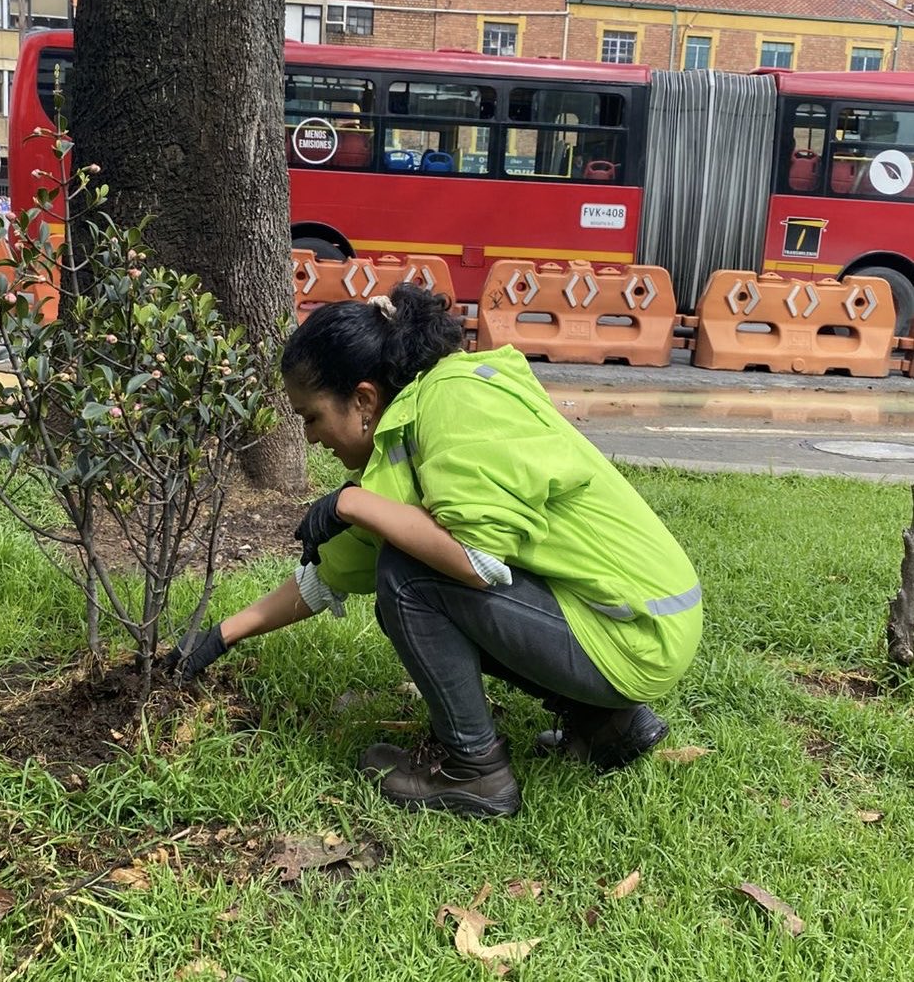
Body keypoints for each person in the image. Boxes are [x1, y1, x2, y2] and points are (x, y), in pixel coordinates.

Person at [166, 284, 703, 818]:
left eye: (311, 417)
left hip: (635, 634)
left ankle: (474, 771)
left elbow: (478, 564)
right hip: (631, 620)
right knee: (402, 561)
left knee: (409, 577)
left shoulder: (454, 405)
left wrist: (352, 503)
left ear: (363, 399)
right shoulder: (410, 431)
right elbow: (328, 576)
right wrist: (220, 637)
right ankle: (608, 723)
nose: (309, 438)